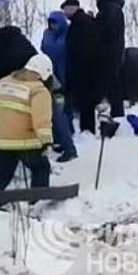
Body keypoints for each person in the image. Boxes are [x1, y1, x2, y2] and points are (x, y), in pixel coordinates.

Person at [0, 53, 54, 191]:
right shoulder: (38, 91)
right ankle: (37, 199)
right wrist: (46, 141)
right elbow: (41, 119)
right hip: (25, 142)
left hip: (2, 141)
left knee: (2, 174)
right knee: (41, 167)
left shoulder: (5, 82)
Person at [41, 10, 77, 162]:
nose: (52, 25)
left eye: (55, 22)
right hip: (50, 76)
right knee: (56, 112)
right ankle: (62, 139)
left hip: (66, 75)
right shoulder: (47, 34)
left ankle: (68, 144)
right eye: (51, 22)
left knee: (60, 113)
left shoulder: (68, 34)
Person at [62, 0, 101, 134]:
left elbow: (81, 49)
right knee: (86, 103)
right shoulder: (83, 22)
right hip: (89, 69)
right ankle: (87, 130)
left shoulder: (80, 25)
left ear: (72, 8)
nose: (65, 14)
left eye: (65, 10)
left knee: (86, 103)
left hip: (83, 70)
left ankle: (87, 131)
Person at [91, 0, 126, 118]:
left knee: (113, 84)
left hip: (110, 52)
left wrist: (93, 23)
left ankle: (117, 114)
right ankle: (116, 111)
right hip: (115, 50)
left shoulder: (109, 8)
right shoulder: (112, 6)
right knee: (114, 83)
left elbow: (106, 30)